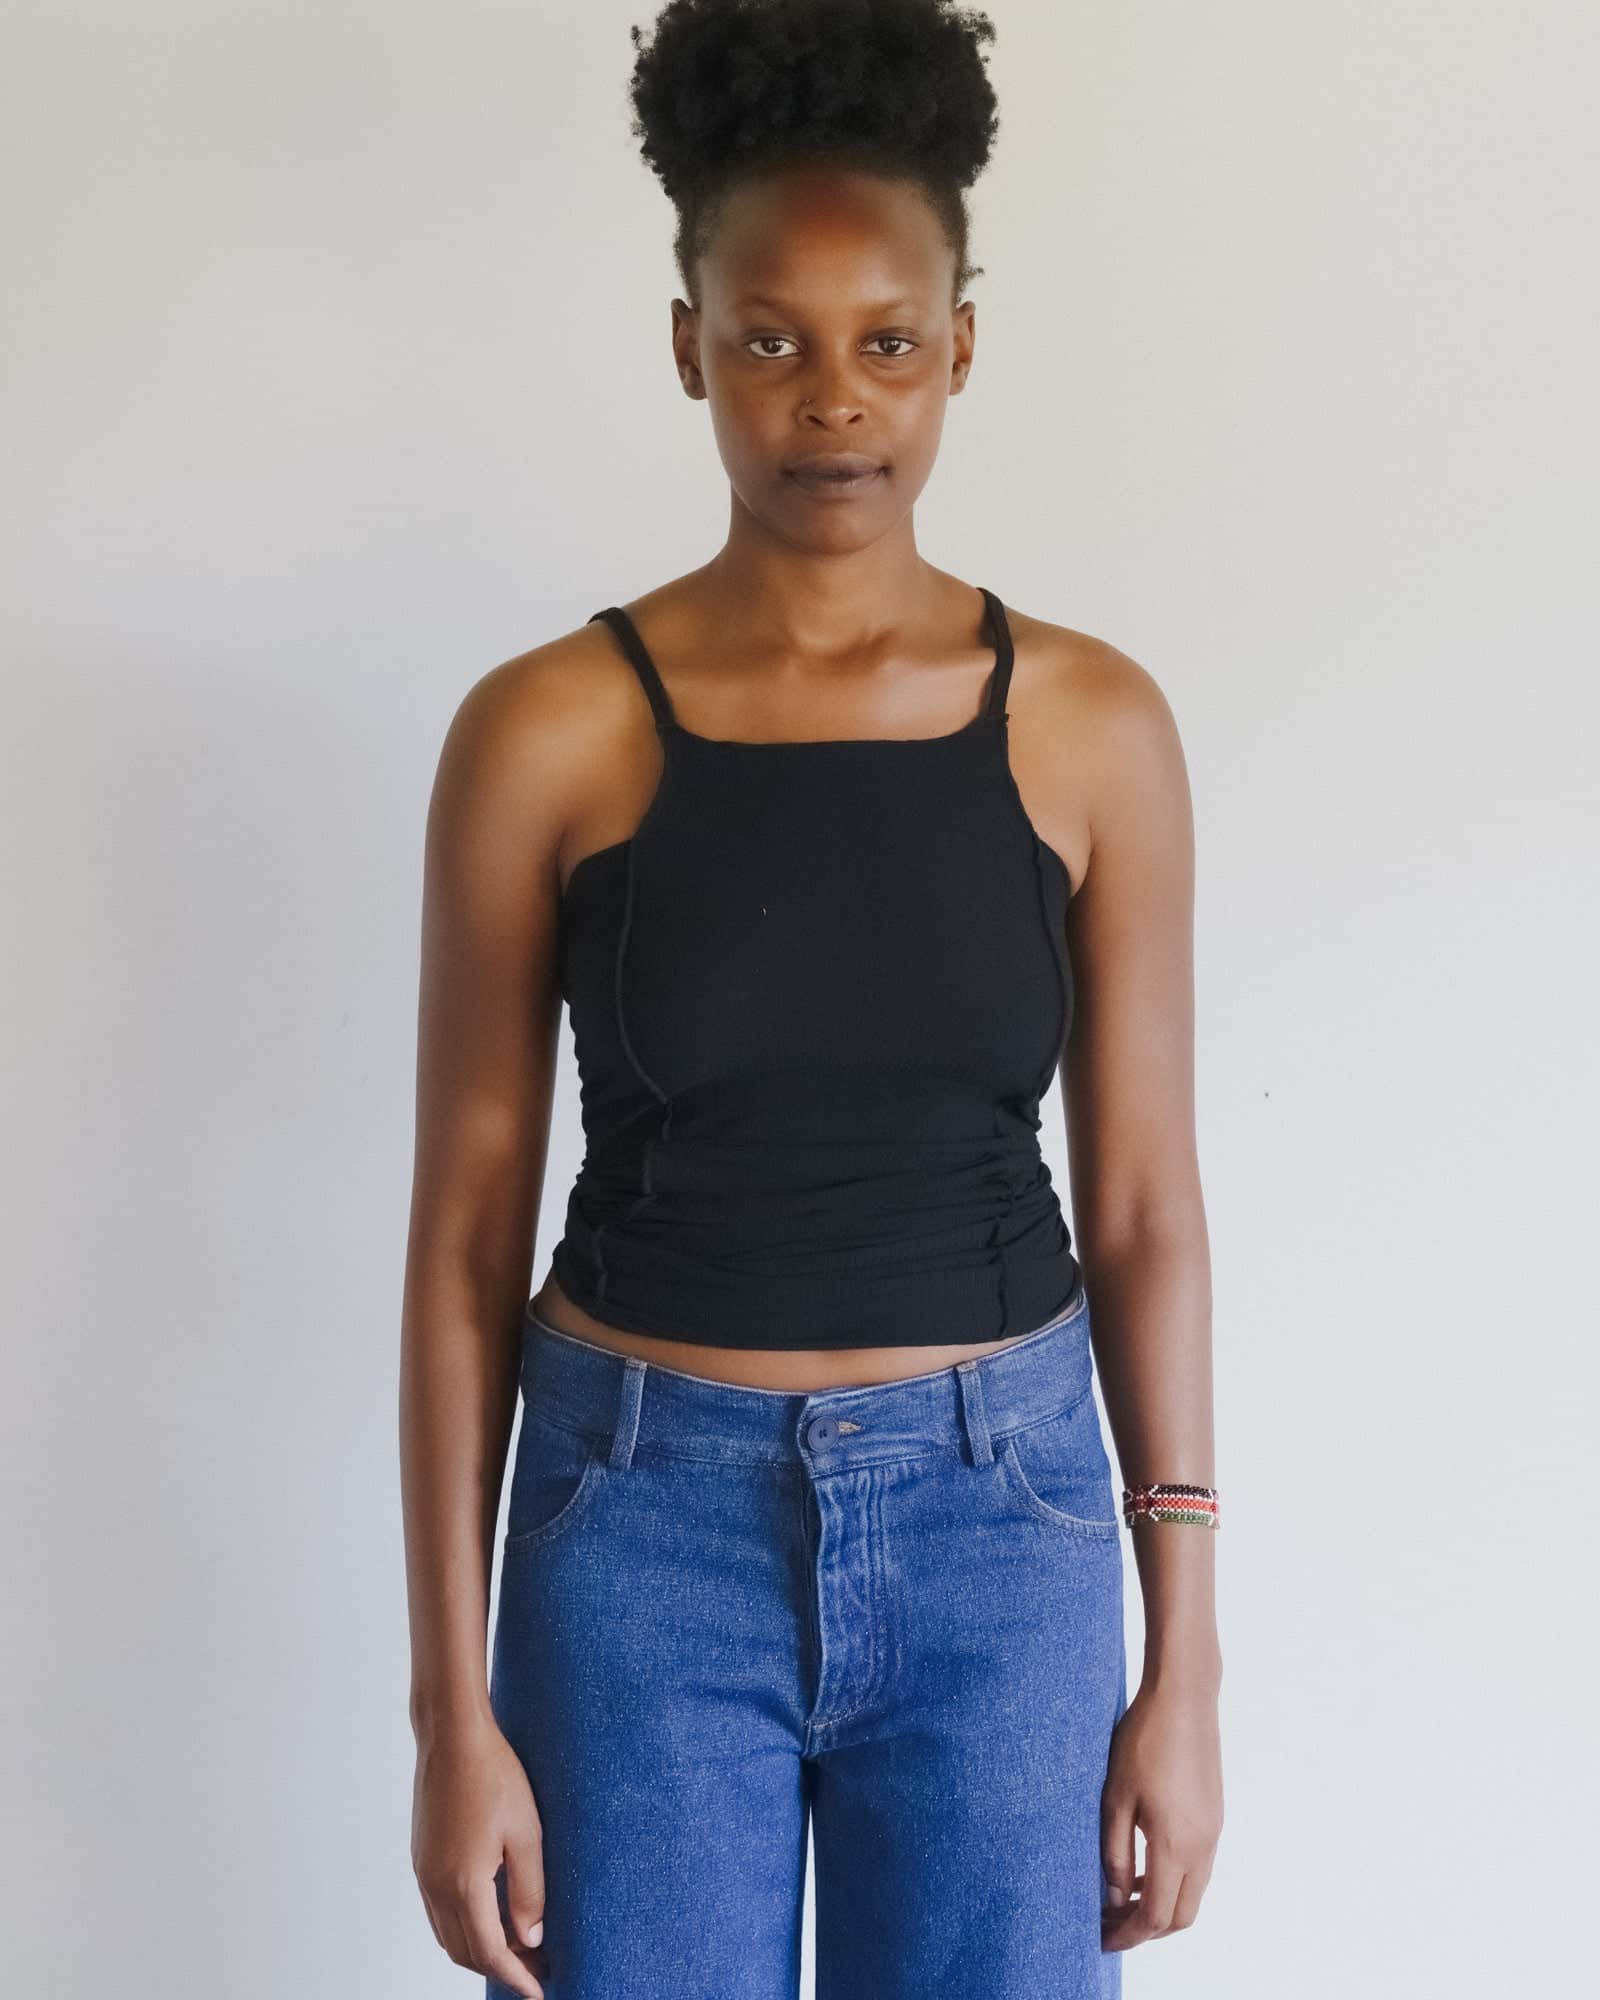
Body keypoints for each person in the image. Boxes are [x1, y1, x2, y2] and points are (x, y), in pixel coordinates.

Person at [400, 3, 1223, 1994]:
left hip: (1003, 1532)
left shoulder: (1092, 728)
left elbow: (1142, 1210)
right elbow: (463, 1233)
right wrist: (448, 1707)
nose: (832, 401)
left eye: (885, 341)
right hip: (634, 1533)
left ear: (961, 345)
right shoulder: (546, 731)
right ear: (688, 341)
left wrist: (1186, 1656)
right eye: (770, 340)